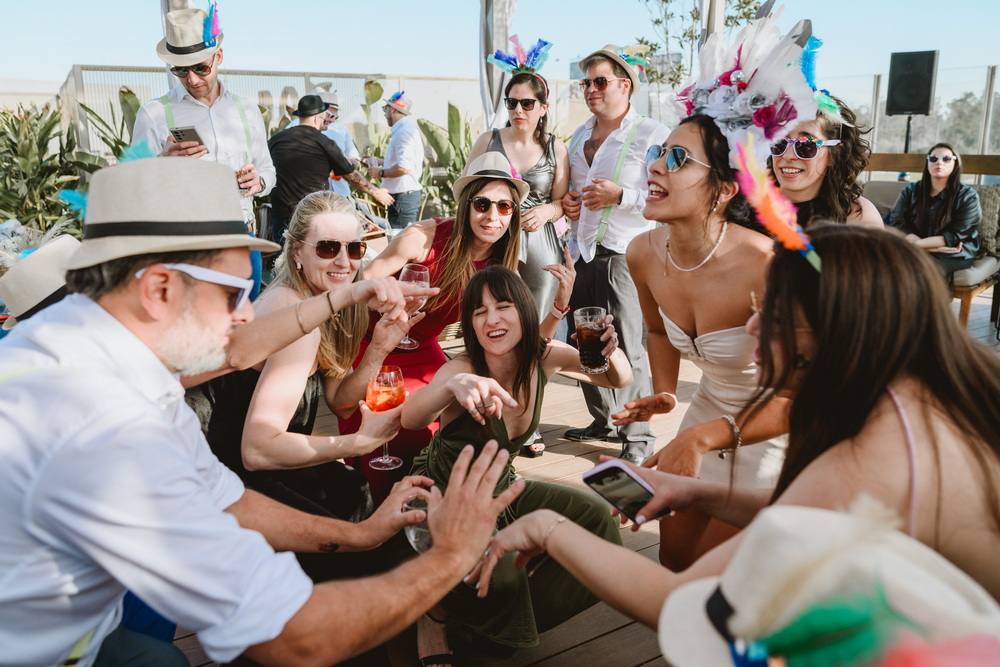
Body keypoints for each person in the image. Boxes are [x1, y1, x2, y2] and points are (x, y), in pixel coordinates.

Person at [0, 156, 524, 667]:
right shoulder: (103, 430)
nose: (248, 312)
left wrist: (363, 534)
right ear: (159, 290)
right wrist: (449, 558)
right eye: (232, 295)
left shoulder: (92, 355)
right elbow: (294, 638)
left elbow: (227, 489)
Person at [470, 223, 1000, 645]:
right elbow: (808, 514)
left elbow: (681, 602)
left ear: (832, 330)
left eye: (770, 315)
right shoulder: (908, 401)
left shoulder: (866, 458)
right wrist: (698, 492)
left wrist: (547, 530)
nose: (749, 330)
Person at [187, 191, 427, 577]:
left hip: (256, 458)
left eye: (354, 248)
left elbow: (339, 402)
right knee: (348, 534)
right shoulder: (292, 315)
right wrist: (357, 444)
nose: (344, 262)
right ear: (297, 251)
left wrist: (381, 346)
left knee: (353, 492)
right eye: (328, 248)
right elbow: (257, 451)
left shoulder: (324, 304)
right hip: (221, 470)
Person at [402, 266, 629, 654]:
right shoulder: (464, 368)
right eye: (479, 311)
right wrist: (450, 387)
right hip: (444, 495)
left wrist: (612, 349)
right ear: (470, 324)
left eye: (503, 306)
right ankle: (434, 612)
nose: (492, 319)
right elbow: (412, 418)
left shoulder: (545, 356)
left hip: (502, 487)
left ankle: (504, 621)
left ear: (524, 310)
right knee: (501, 583)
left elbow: (617, 380)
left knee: (597, 521)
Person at [613, 114, 789, 570]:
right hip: (705, 412)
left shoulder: (765, 265)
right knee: (673, 555)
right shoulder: (642, 254)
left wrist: (700, 438)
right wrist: (667, 392)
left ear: (725, 190)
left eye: (677, 158)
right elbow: (656, 331)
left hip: (775, 431)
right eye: (657, 153)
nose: (655, 166)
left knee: (716, 569)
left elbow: (800, 397)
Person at [340, 151, 543, 501]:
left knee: (447, 427)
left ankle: (439, 508)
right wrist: (385, 300)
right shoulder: (422, 239)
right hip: (375, 343)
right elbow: (356, 289)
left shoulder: (501, 263)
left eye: (504, 207)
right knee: (389, 431)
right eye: (482, 204)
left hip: (423, 348)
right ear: (466, 205)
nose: (492, 216)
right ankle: (377, 516)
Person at [560, 44, 669, 463]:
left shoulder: (652, 134)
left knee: (625, 347)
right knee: (585, 341)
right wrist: (570, 204)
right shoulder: (579, 136)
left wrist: (621, 194)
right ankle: (603, 420)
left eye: (599, 81)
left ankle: (638, 440)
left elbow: (664, 196)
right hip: (582, 250)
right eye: (585, 82)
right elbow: (574, 195)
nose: (590, 89)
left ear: (625, 85)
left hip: (625, 254)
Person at [131, 6, 274, 299]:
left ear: (218, 56)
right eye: (181, 70)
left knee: (246, 328)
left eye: (201, 68)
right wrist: (163, 163)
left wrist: (257, 181)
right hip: (185, 244)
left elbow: (268, 170)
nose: (192, 80)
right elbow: (133, 186)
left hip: (242, 238)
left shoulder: (246, 111)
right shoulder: (154, 114)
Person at [471, 36, 570, 322]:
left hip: (540, 246)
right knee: (493, 319)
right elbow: (466, 194)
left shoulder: (556, 148)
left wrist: (548, 210)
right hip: (493, 241)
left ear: (543, 107)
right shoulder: (487, 141)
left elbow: (562, 202)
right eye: (512, 103)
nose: (518, 111)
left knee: (538, 323)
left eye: (527, 103)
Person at [267, 94, 392, 244]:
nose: (327, 120)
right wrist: (375, 191)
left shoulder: (276, 140)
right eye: (324, 116)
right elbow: (350, 175)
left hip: (281, 213)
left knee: (283, 260)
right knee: (311, 259)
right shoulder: (323, 142)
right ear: (316, 118)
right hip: (311, 213)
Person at [768, 97, 883, 228]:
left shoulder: (857, 217)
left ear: (835, 154)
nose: (788, 156)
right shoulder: (745, 208)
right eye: (779, 142)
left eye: (806, 145)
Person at [890, 142, 981, 280]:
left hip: (953, 252)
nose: (939, 162)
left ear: (955, 164)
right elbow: (898, 225)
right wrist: (926, 247)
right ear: (927, 162)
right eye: (933, 158)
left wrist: (918, 246)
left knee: (924, 269)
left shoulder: (968, 196)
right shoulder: (909, 191)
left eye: (946, 159)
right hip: (916, 246)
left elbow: (956, 235)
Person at [365, 91, 425, 230]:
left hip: (403, 199)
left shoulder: (403, 132)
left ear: (392, 109)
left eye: (385, 109)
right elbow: (400, 161)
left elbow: (404, 168)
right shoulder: (404, 130)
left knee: (400, 242)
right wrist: (379, 161)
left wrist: (380, 173)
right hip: (402, 198)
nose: (385, 114)